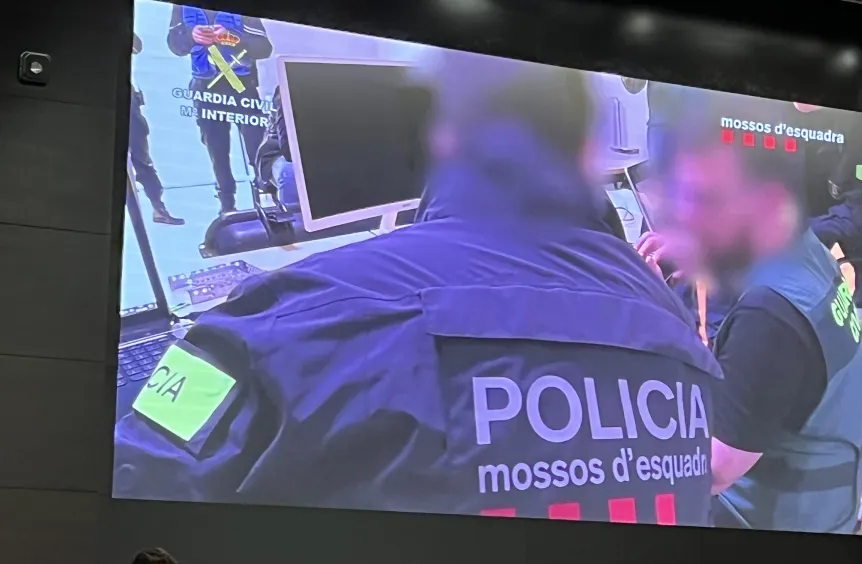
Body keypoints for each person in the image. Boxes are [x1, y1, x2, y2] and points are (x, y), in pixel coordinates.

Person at [113, 53, 721, 525]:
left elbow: (135, 480)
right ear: (589, 150)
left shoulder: (284, 321)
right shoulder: (672, 320)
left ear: (441, 138)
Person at [637, 109, 862, 533]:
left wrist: (658, 317)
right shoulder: (805, 250)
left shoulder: (770, 319)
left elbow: (707, 472)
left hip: (769, 533)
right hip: (825, 508)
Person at [167, 6, 272, 215]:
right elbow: (175, 45)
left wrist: (233, 38)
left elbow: (264, 48)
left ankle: (268, 197)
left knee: (257, 147)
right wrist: (191, 36)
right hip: (206, 90)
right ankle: (227, 205)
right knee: (217, 151)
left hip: (242, 88)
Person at [130, 33, 184, 225]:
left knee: (143, 162)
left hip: (130, 103)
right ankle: (158, 209)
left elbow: (137, 46)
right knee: (142, 163)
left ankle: (158, 209)